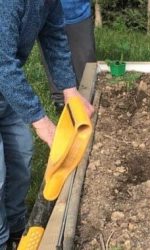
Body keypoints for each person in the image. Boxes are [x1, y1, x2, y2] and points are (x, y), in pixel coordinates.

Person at [0, 0, 94, 248]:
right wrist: (41, 122)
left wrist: (70, 90)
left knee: (21, 157)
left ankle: (16, 229)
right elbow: (2, 64)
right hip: (4, 74)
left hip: (5, 92)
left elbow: (54, 37)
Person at [42, 0, 96, 111]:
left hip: (77, 13)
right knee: (53, 56)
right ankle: (60, 100)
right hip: (46, 14)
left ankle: (87, 97)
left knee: (86, 64)